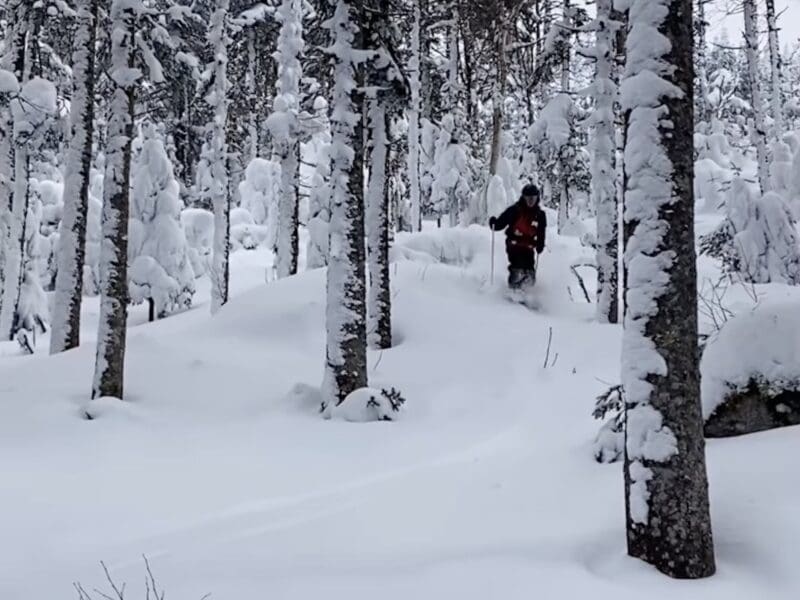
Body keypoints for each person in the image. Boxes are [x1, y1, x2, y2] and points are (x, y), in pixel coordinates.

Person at [489, 183, 547, 289]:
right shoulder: (515, 210)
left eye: (533, 198)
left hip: (529, 247)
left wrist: (540, 245)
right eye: (528, 198)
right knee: (518, 268)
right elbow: (501, 223)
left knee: (529, 272)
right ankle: (513, 291)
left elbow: (541, 232)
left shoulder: (540, 215)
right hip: (514, 245)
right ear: (523, 197)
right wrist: (494, 223)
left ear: (537, 198)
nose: (530, 201)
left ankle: (528, 293)